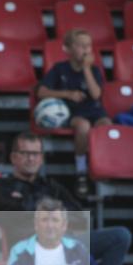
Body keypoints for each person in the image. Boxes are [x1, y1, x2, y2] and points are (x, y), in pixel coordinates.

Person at [0, 131, 132, 265]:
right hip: (29, 247)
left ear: (42, 158)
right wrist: (52, 208)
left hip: (65, 241)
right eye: (25, 153)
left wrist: (30, 205)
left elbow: (78, 216)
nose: (31, 158)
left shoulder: (51, 186)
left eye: (35, 154)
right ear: (13, 157)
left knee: (120, 236)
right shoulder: (1, 186)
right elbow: (11, 218)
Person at [36, 29, 111, 176]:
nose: (85, 49)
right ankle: (81, 167)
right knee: (83, 126)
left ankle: (103, 165)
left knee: (106, 125)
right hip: (73, 113)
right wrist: (67, 94)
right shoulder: (59, 69)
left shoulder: (94, 70)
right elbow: (41, 92)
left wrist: (86, 68)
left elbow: (96, 95)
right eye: (80, 45)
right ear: (67, 49)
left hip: (95, 110)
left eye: (88, 46)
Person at [7, 198, 116, 265]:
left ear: (64, 225)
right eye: (44, 220)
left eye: (55, 220)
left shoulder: (77, 249)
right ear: (36, 224)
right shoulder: (20, 250)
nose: (50, 226)